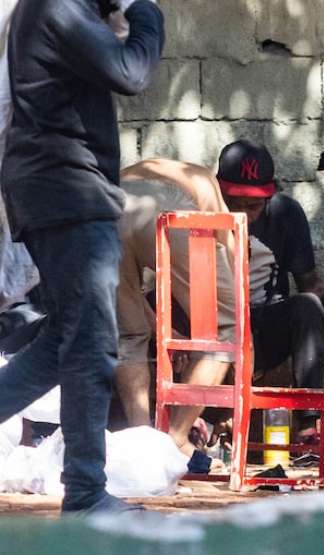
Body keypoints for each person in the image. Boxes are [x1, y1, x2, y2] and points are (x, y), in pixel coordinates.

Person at [0, 0, 163, 514]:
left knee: (66, 340)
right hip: (66, 192)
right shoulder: (57, 6)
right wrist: (146, 11)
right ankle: (87, 492)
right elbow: (131, 71)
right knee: (91, 342)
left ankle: (88, 489)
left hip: (56, 190)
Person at [115, 158, 264, 473]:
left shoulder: (156, 169)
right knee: (228, 327)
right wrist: (242, 346)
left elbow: (138, 303)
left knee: (129, 335)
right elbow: (233, 275)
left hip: (109, 206)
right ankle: (175, 440)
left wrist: (161, 328)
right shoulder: (206, 187)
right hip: (165, 206)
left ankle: (142, 446)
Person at [216, 140, 324, 436]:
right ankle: (205, 429)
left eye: (254, 205)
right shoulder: (203, 213)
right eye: (235, 203)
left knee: (306, 306)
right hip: (217, 328)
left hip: (266, 327)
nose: (245, 213)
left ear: (269, 197)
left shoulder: (285, 215)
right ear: (218, 192)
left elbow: (309, 287)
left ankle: (309, 428)